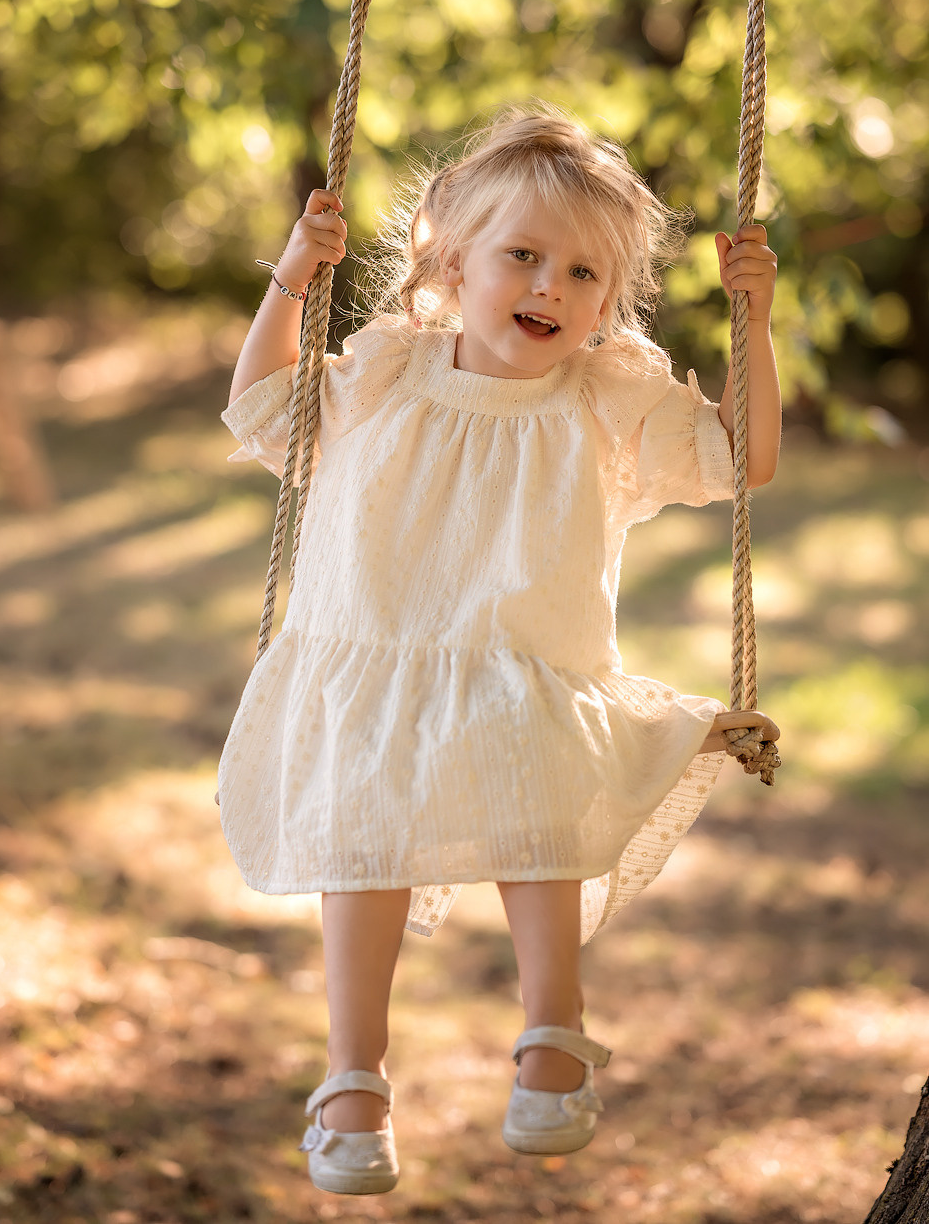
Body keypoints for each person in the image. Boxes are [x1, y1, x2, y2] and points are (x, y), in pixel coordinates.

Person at [218, 109, 781, 1196]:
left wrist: (751, 315)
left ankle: (550, 1038)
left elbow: (738, 457)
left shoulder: (608, 398)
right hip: (377, 656)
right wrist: (295, 273)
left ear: (607, 300)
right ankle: (352, 1079)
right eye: (521, 256)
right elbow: (262, 408)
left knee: (541, 805)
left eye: (582, 274)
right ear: (449, 256)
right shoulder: (386, 369)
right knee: (362, 843)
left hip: (526, 662)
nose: (549, 289)